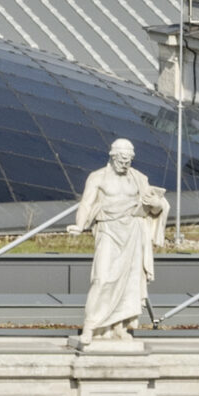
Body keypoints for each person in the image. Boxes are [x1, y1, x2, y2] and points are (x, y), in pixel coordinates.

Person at [74, 138, 167, 342]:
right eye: (121, 161)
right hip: (108, 230)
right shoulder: (98, 177)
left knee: (129, 284)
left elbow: (155, 208)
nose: (125, 165)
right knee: (102, 278)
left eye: (128, 161)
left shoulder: (138, 178)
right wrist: (79, 225)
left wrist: (157, 204)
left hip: (132, 232)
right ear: (113, 156)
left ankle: (118, 327)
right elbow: (86, 204)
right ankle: (90, 326)